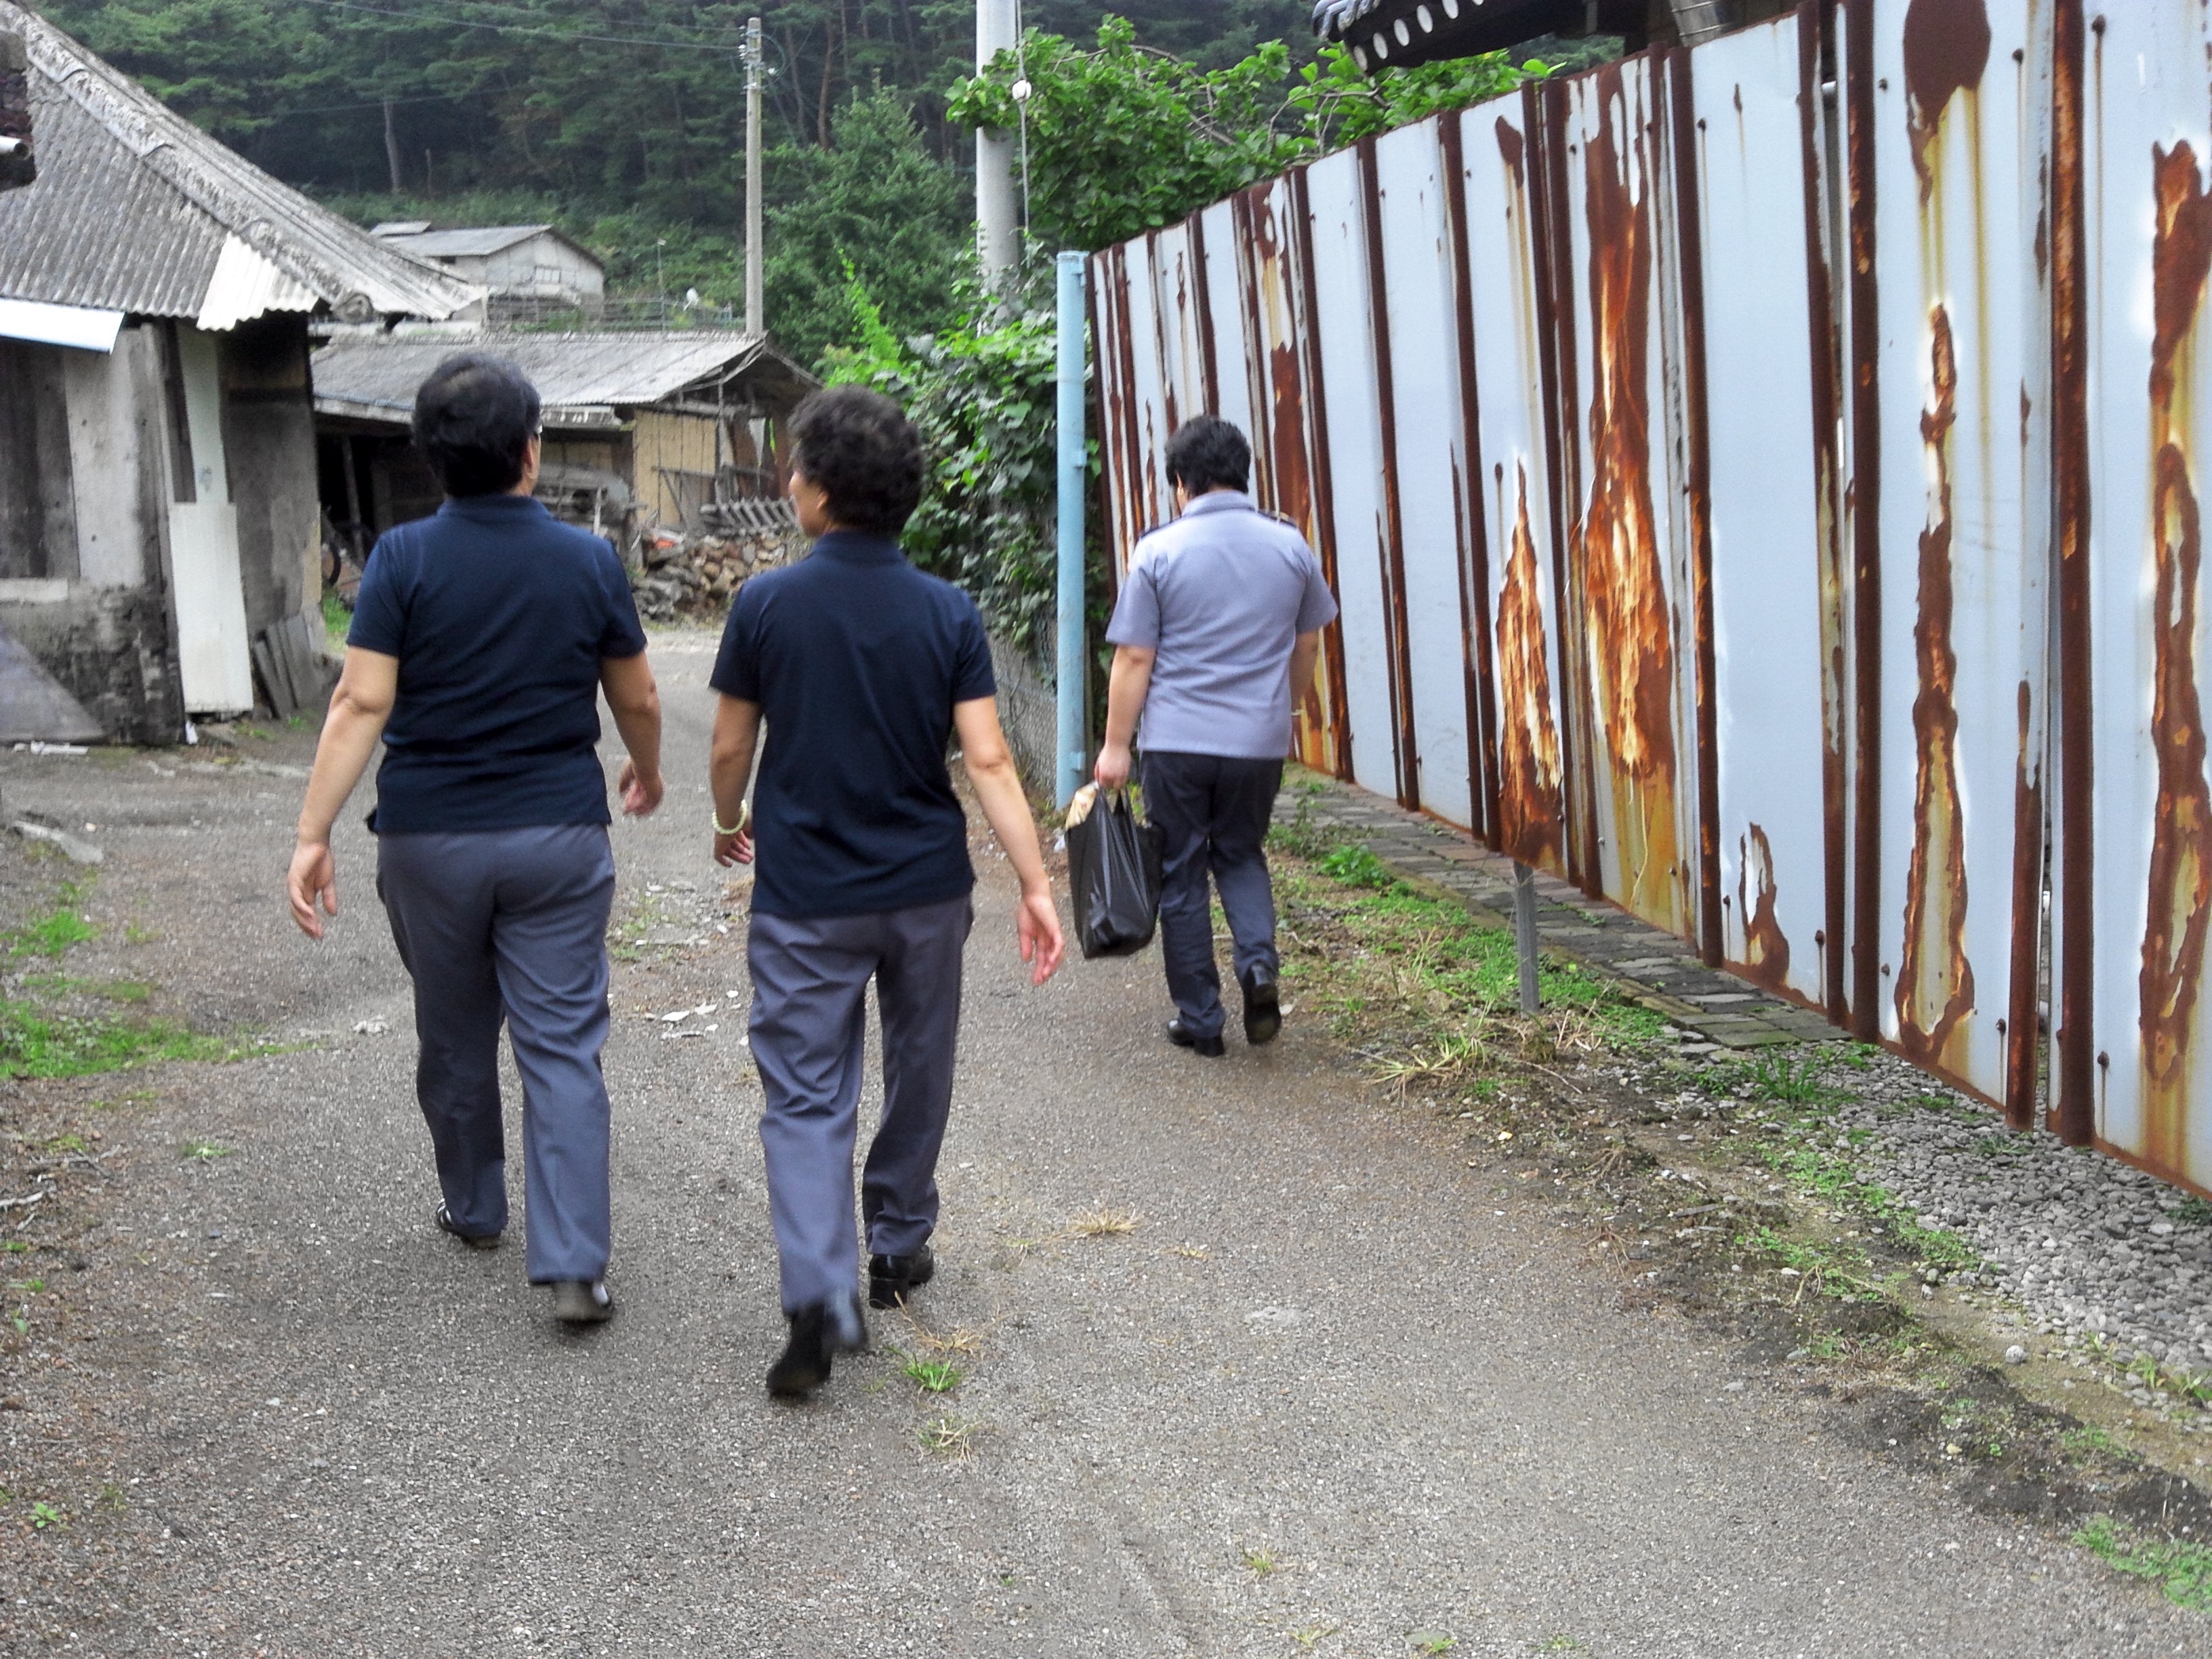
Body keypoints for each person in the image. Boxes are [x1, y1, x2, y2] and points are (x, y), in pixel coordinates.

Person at [287, 352, 663, 1326]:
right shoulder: (588, 561)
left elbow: (360, 701)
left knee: (453, 1032)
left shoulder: (401, 560)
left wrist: (313, 831)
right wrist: (648, 769)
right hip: (557, 837)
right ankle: (574, 1264)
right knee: (562, 1045)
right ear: (531, 451)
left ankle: (477, 1208)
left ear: (431, 457)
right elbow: (637, 696)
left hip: (430, 839)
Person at [708, 385, 1064, 1399]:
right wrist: (1035, 883)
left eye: (795, 469)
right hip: (923, 890)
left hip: (806, 896)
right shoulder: (947, 610)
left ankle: (820, 1288)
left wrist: (730, 820)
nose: (790, 483)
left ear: (818, 493)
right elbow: (988, 760)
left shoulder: (765, 605)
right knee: (920, 1062)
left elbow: (730, 744)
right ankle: (898, 1244)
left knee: (804, 1090)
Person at [1094, 415, 1337, 1059]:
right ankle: (1257, 967)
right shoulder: (1291, 546)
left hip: (1177, 742)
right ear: (1243, 475)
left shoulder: (1158, 552)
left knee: (1180, 873)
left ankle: (1201, 1021)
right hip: (1257, 741)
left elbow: (1134, 657)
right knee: (1240, 854)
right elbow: (1308, 642)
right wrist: (1285, 709)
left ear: (1182, 481)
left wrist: (1116, 745)